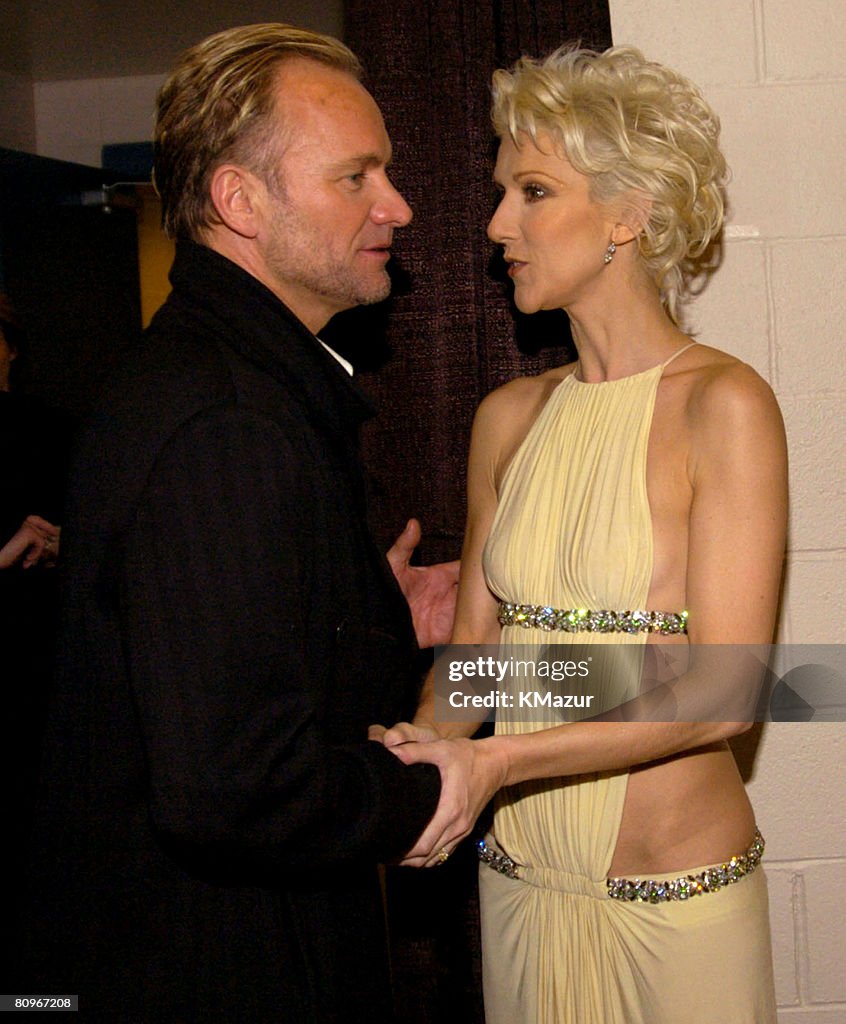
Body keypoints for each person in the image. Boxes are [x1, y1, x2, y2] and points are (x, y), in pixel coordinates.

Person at [22, 24, 460, 1022]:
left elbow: (214, 664)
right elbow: (234, 788)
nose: (398, 205)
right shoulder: (228, 418)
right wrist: (439, 787)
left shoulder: (233, 381)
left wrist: (368, 617)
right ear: (238, 200)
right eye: (357, 177)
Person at [376, 45, 787, 1023]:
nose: (495, 225)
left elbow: (729, 691)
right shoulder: (508, 417)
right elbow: (481, 665)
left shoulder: (723, 405)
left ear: (627, 213)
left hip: (674, 908)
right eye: (501, 192)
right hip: (520, 887)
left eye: (532, 191)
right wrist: (413, 762)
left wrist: (497, 764)